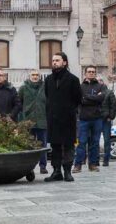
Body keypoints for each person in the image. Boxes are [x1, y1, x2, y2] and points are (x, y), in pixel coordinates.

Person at [44, 52, 81, 182]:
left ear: (64, 62)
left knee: (69, 145)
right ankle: (56, 171)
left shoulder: (73, 79)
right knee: (55, 146)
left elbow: (77, 98)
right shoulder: (48, 80)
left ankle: (67, 171)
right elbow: (47, 96)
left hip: (68, 118)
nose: (54, 62)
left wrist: (68, 109)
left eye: (57, 60)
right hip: (53, 118)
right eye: (53, 60)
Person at [73, 66, 105, 173]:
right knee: (81, 143)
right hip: (84, 119)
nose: (91, 73)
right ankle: (78, 165)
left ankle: (93, 165)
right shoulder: (80, 87)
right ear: (85, 73)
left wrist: (87, 97)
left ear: (95, 73)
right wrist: (94, 98)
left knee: (95, 143)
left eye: (93, 72)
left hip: (97, 119)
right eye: (89, 71)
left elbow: (101, 98)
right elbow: (80, 101)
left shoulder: (100, 86)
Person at [19, 69, 48, 173]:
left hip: (42, 120)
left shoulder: (45, 88)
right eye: (33, 75)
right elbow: (19, 103)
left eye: (37, 75)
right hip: (28, 122)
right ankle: (29, 168)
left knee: (42, 145)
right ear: (29, 76)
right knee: (29, 146)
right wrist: (22, 119)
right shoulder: (23, 88)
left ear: (39, 76)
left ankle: (43, 166)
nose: (35, 77)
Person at [99, 76, 116, 167]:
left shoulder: (109, 92)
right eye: (97, 81)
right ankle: (94, 160)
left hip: (106, 120)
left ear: (103, 82)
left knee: (107, 140)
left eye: (100, 80)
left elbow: (114, 106)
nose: (99, 82)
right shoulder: (94, 92)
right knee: (94, 140)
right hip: (95, 119)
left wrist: (111, 117)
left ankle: (106, 160)